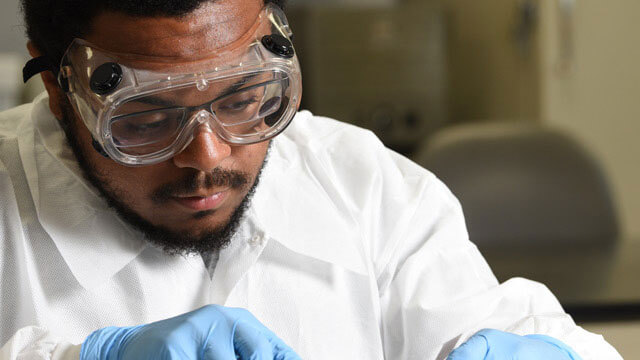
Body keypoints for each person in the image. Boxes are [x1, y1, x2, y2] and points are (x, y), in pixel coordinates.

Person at [0, 0, 622, 359]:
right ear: (59, 90)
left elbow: (530, 336)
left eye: (243, 98)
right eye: (148, 118)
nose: (206, 156)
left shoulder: (362, 183)